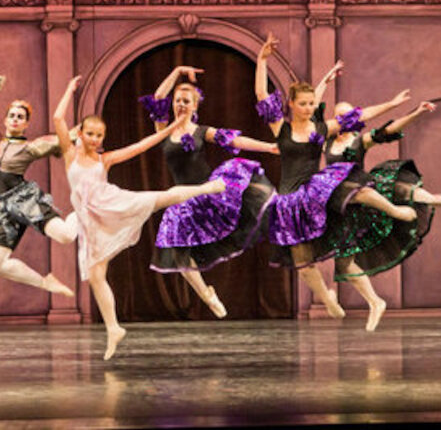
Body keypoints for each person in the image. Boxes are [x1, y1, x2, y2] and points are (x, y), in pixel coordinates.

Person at [53, 76, 225, 360]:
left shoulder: (103, 159)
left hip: (113, 205)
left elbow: (142, 145)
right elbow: (58, 119)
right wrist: (69, 90)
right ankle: (113, 329)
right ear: (80, 133)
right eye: (90, 134)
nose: (95, 139)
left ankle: (208, 187)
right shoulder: (70, 154)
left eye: (99, 136)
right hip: (90, 221)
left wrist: (169, 128)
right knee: (96, 277)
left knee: (161, 198)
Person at [254, 32, 418, 321]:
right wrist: (262, 60)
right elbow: (261, 95)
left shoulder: (320, 129)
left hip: (315, 191)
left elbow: (360, 116)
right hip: (290, 201)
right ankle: (327, 299)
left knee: (351, 186)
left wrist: (392, 104)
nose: (308, 108)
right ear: (291, 104)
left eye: (311, 104)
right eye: (303, 104)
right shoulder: (281, 128)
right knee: (303, 263)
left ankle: (395, 210)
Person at [140, 66, 278, 318]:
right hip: (182, 198)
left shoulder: (202, 131)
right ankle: (206, 295)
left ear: (195, 106)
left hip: (208, 193)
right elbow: (158, 97)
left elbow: (235, 140)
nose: (181, 104)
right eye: (178, 100)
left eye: (186, 101)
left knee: (242, 179)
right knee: (173, 246)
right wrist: (177, 71)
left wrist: (268, 147)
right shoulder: (163, 131)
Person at [323, 99, 441, 331]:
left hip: (361, 194)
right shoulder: (327, 142)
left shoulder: (360, 141)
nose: (344, 121)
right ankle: (375, 302)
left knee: (388, 181)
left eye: (349, 116)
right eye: (339, 117)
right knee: (343, 263)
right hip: (340, 206)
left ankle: (425, 198)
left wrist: (416, 113)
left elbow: (389, 130)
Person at [0, 62, 77, 297]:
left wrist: (79, 135)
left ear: (26, 123)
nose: (15, 119)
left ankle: (84, 209)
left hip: (25, 200)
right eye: (12, 115)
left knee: (65, 236)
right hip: (5, 208)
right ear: (5, 120)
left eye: (20, 117)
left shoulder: (31, 147)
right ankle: (46, 282)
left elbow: (59, 141)